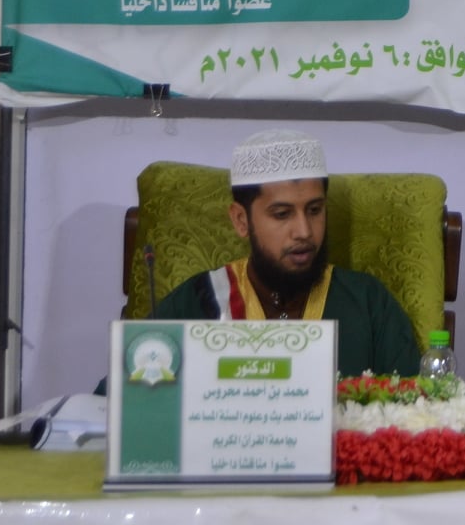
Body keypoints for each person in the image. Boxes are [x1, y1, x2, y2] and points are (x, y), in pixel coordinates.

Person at [151, 130, 421, 377]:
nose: (304, 231)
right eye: (282, 214)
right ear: (241, 220)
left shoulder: (368, 304)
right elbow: (135, 395)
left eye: (314, 210)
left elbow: (414, 403)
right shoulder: (195, 303)